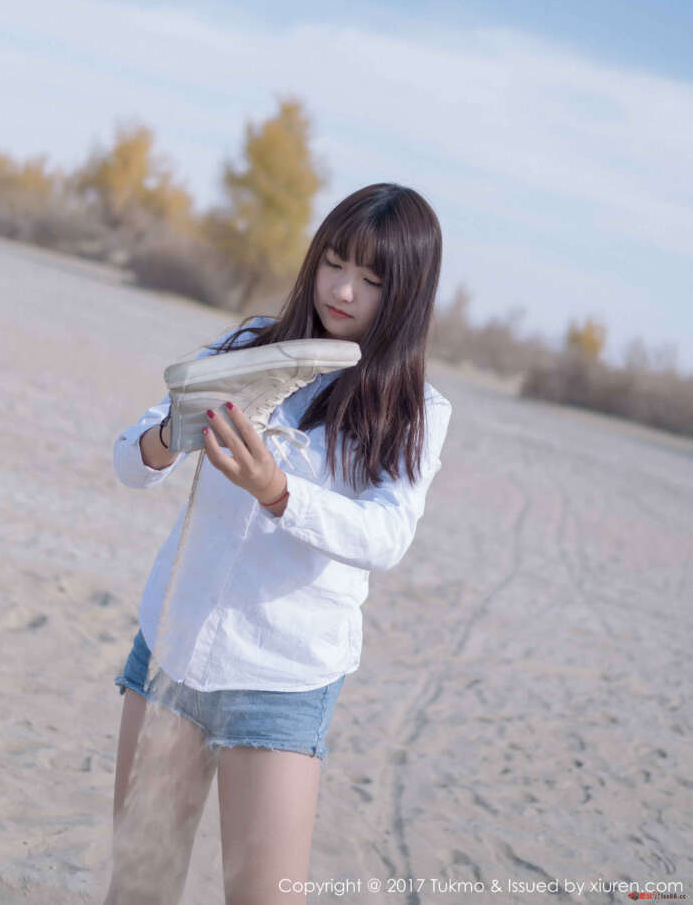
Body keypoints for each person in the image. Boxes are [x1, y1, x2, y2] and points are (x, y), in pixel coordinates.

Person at [102, 183, 453, 905]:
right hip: (171, 647)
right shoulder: (248, 347)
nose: (343, 290)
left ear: (407, 293)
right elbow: (129, 462)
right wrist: (175, 432)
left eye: (372, 278)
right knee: (138, 888)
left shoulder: (415, 409)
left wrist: (278, 491)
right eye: (334, 263)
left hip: (281, 683)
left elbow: (386, 535)